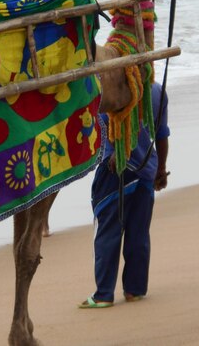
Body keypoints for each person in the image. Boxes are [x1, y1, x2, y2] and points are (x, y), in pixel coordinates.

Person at [79, 82, 169, 308]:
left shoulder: (107, 88)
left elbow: (100, 127)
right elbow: (161, 134)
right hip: (146, 170)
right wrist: (160, 169)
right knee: (138, 233)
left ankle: (103, 294)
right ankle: (135, 290)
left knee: (107, 233)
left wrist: (114, 152)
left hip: (115, 171)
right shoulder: (156, 90)